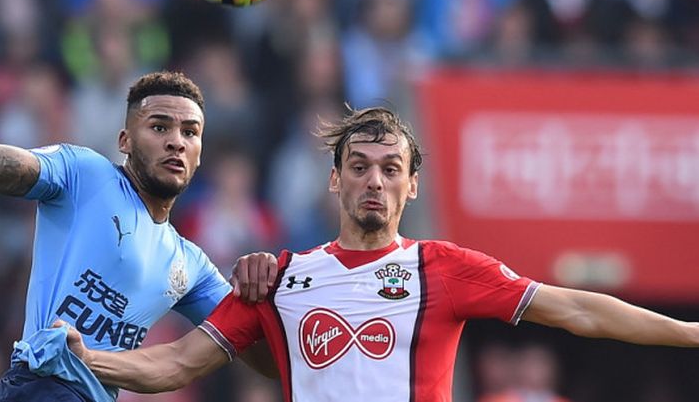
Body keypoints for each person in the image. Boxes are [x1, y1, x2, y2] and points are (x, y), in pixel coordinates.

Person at [62, 106, 699, 401]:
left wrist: (689, 333)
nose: (374, 180)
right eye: (359, 166)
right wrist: (88, 358)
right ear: (335, 180)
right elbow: (172, 365)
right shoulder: (279, 280)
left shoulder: (445, 268)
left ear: (412, 185)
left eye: (390, 169)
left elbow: (575, 310)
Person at [0, 71, 275, 402]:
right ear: (124, 141)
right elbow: (17, 166)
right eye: (159, 127)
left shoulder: (190, 265)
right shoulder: (86, 174)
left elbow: (269, 362)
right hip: (42, 386)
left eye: (190, 132)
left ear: (199, 155)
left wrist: (261, 298)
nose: (176, 141)